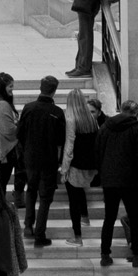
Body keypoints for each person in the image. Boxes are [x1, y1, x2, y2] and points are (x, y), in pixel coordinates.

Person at [96, 98, 138, 268]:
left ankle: (105, 254)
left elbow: (98, 152)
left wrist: (102, 174)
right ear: (135, 114)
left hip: (110, 180)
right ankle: (137, 254)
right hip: (129, 180)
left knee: (109, 218)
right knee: (134, 218)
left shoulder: (106, 126)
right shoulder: (136, 129)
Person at [15, 74, 65, 247]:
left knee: (31, 191)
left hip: (30, 158)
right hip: (48, 160)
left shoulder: (28, 108)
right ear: (54, 91)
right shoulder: (57, 113)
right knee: (45, 197)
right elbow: (61, 141)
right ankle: (40, 234)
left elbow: (19, 134)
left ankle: (28, 225)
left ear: (40, 88)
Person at [61, 88, 100, 245]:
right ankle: (85, 217)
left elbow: (69, 147)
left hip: (76, 164)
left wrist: (64, 169)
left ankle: (77, 236)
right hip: (90, 164)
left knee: (73, 199)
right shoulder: (91, 119)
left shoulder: (71, 119)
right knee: (79, 192)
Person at [0, 73, 24, 206]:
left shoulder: (1, 102)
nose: (12, 89)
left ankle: (5, 201)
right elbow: (8, 130)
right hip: (5, 147)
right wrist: (20, 127)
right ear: (3, 87)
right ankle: (0, 204)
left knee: (8, 177)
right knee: (2, 179)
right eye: (10, 86)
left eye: (12, 86)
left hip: (8, 146)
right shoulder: (1, 105)